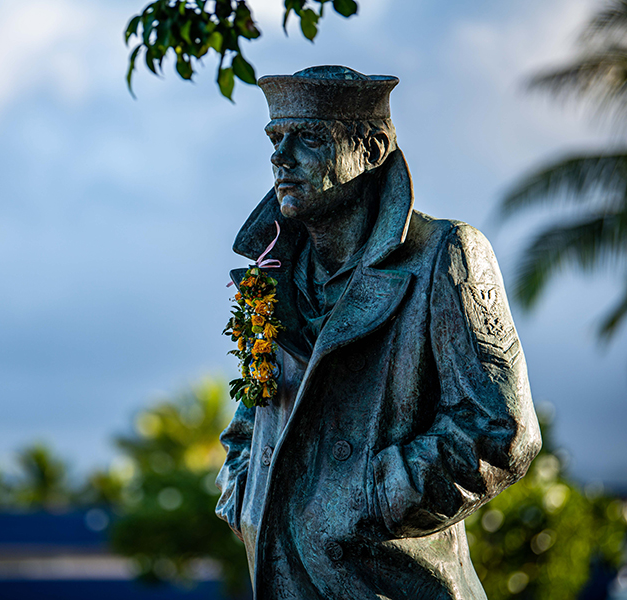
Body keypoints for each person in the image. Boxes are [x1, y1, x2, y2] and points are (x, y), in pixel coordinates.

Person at [215, 66, 541, 600]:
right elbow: (252, 422)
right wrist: (244, 499)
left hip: (394, 584)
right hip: (284, 579)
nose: (281, 156)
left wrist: (368, 496)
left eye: (309, 137)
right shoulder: (270, 275)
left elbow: (500, 429)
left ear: (368, 149)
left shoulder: (446, 255)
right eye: (276, 138)